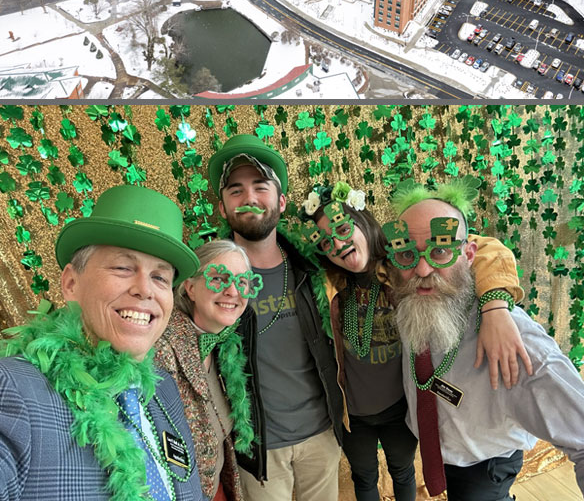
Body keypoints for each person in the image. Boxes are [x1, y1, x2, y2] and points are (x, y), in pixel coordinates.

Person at [297, 179, 529, 501]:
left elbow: (483, 247)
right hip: (355, 415)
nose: (336, 244)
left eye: (342, 228)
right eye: (325, 242)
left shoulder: (402, 263)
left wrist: (495, 306)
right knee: (364, 477)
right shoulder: (328, 285)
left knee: (402, 472)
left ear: (362, 222)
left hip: (399, 409)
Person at [0, 184, 205, 500]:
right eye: (123, 267)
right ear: (70, 282)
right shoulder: (13, 389)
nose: (145, 290)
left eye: (160, 277)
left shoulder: (163, 387)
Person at [389, 188, 584, 500]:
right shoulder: (409, 297)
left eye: (440, 251)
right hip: (446, 449)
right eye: (407, 254)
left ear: (469, 255)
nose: (422, 270)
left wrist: (496, 309)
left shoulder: (513, 338)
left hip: (486, 462)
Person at [206, 134, 342, 501]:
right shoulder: (208, 278)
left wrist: (495, 301)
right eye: (235, 191)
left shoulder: (314, 266)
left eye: (260, 187)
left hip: (322, 435)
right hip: (260, 448)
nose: (248, 198)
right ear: (223, 208)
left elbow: (383, 257)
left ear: (281, 201)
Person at [157, 239, 260, 501]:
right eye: (218, 279)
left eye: (242, 281)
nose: (232, 291)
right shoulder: (161, 348)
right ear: (190, 288)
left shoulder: (222, 346)